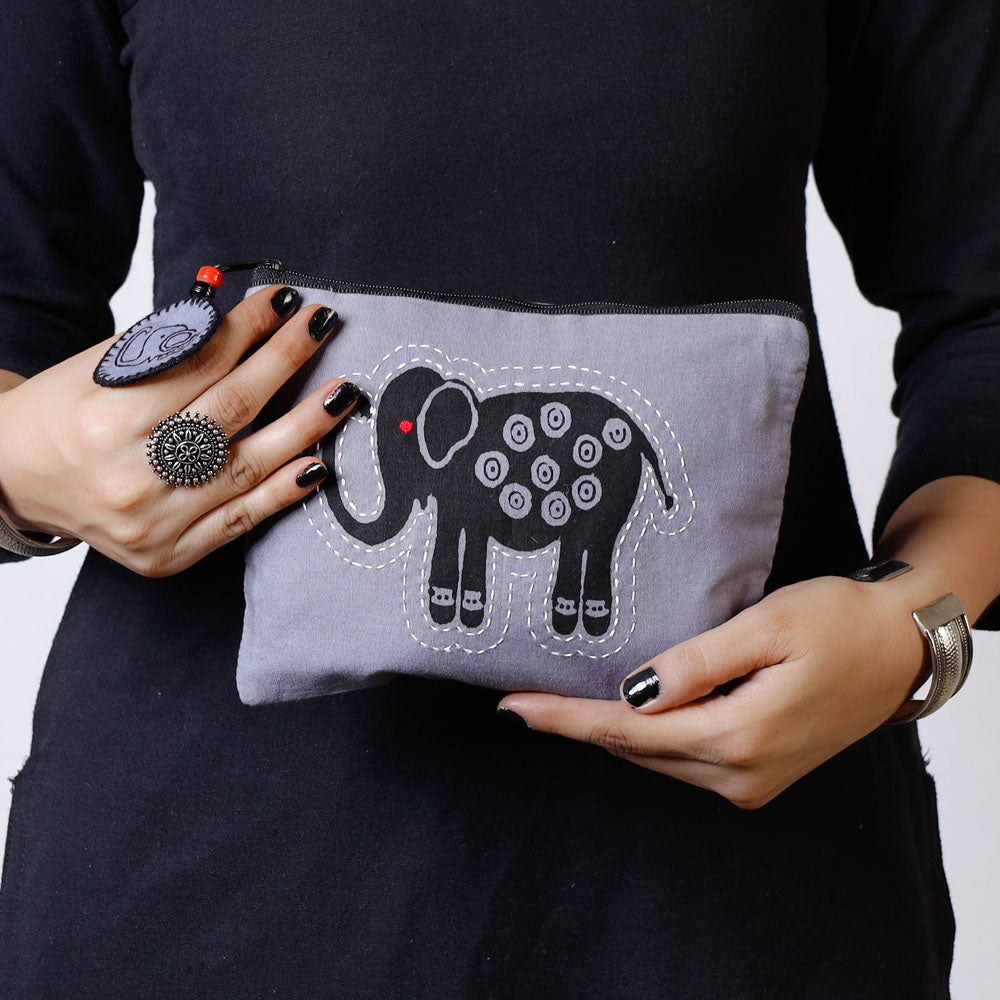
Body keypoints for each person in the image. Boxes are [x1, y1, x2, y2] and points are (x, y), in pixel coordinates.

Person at [1, 1, 998, 996]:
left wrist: (914, 626)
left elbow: (983, 315)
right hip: (199, 880)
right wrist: (30, 465)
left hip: (746, 892)